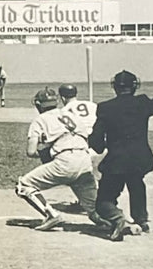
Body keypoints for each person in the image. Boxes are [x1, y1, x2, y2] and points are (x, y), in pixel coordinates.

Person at [89, 70, 153, 241]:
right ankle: (141, 220)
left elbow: (97, 143)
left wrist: (93, 142)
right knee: (136, 182)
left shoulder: (105, 108)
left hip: (116, 161)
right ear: (134, 86)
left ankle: (118, 219)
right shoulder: (142, 103)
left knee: (103, 202)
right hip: (140, 158)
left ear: (115, 87)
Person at [14, 87, 104, 233]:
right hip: (84, 160)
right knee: (94, 210)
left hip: (64, 162)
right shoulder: (71, 115)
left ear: (38, 104)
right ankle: (119, 221)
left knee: (24, 185)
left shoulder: (39, 120)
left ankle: (51, 215)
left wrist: (47, 150)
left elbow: (31, 152)